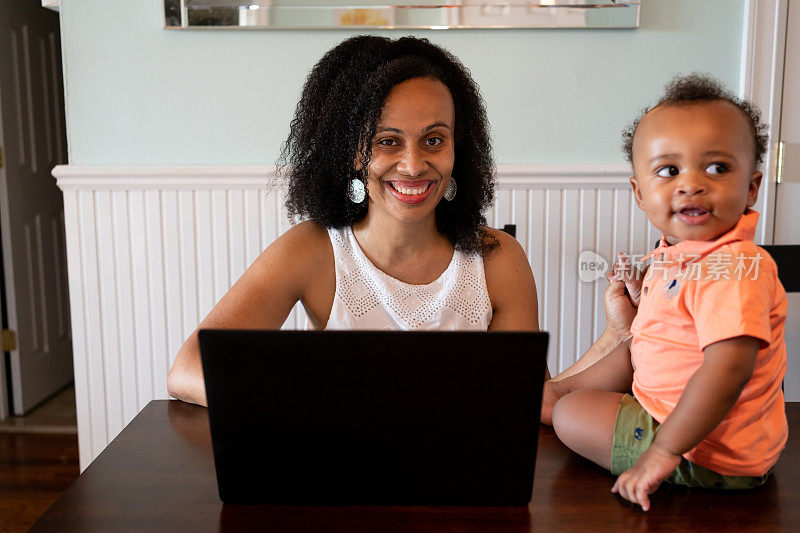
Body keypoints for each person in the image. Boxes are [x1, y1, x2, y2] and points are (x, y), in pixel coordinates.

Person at [167, 36, 541, 407]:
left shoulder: (499, 258)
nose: (413, 165)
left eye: (433, 141)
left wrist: (605, 342)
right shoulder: (310, 250)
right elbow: (188, 369)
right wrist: (294, 403)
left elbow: (527, 395)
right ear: (349, 152)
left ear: (459, 148)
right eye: (387, 141)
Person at [540, 74, 788, 511]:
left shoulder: (733, 267)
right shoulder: (683, 254)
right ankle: (552, 397)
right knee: (587, 392)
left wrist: (664, 451)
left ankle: (560, 406)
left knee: (571, 415)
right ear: (639, 193)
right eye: (669, 170)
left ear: (751, 187)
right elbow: (674, 331)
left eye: (717, 168)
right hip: (685, 423)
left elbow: (727, 370)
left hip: (710, 453)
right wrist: (645, 296)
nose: (691, 184)